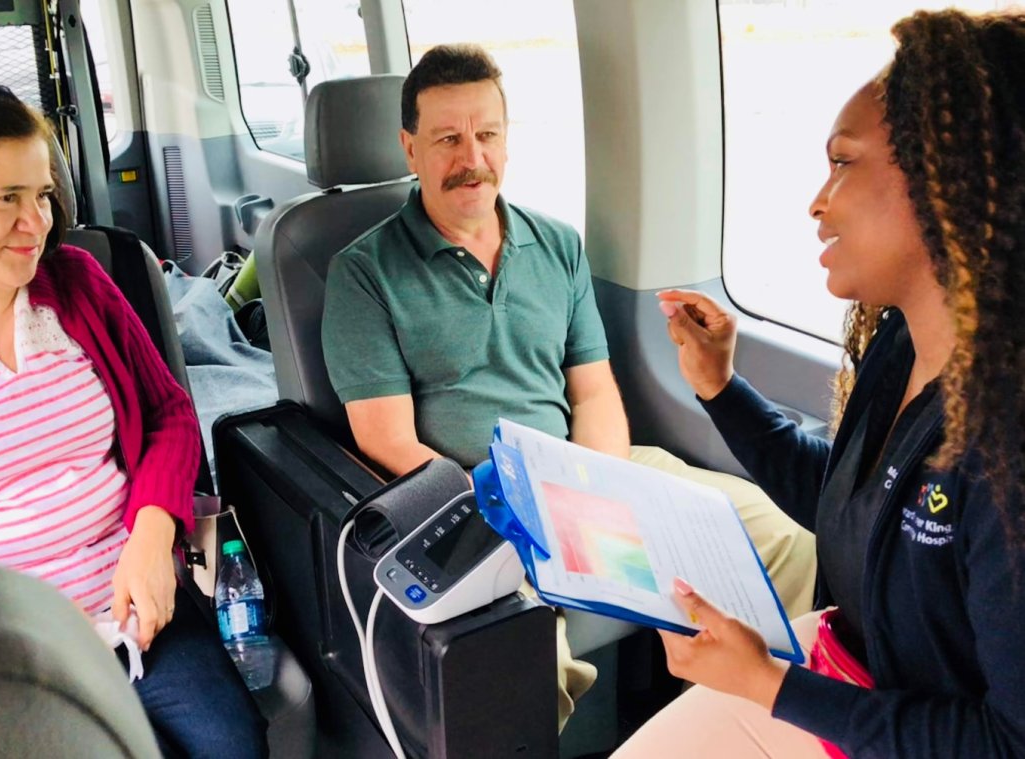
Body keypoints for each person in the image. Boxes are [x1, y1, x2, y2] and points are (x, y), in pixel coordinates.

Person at [321, 43, 817, 724]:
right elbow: (385, 437)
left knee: (785, 537)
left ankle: (736, 728)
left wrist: (598, 486)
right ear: (410, 149)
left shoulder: (556, 244)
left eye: (487, 135)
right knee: (518, 651)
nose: (473, 158)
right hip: (469, 500)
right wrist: (514, 506)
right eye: (447, 139)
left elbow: (592, 391)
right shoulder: (364, 271)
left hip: (580, 471)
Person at [614, 9, 1025, 758]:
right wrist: (721, 389)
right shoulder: (900, 343)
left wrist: (772, 686)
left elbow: (1007, 740)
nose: (817, 199)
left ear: (943, 176)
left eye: (843, 162)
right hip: (859, 679)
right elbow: (851, 510)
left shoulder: (1006, 437)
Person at [0, 86, 266, 758]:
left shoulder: (78, 283)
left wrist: (151, 535)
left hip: (145, 617)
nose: (39, 222)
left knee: (233, 745)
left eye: (44, 195)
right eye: (7, 199)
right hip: (8, 651)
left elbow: (169, 411)